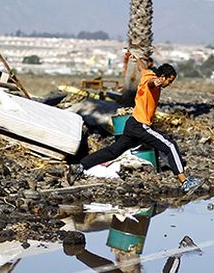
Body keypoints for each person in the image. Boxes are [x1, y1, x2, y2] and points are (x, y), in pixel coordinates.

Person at [69, 53, 202, 194]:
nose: (169, 84)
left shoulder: (147, 74)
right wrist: (156, 82)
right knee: (170, 146)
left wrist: (137, 58)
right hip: (141, 126)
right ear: (162, 77)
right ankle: (185, 182)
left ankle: (80, 166)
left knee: (113, 151)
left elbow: (142, 68)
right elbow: (151, 83)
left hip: (132, 123)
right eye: (169, 81)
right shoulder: (151, 82)